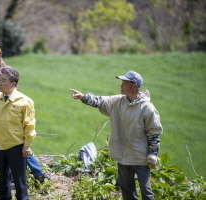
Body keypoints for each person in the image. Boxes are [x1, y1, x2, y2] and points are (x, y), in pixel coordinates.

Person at [70, 70, 163, 200]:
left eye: (124, 82)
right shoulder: (117, 101)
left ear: (134, 85)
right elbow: (100, 101)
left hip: (140, 157)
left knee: (146, 192)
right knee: (127, 191)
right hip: (122, 156)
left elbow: (154, 132)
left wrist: (153, 153)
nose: (121, 85)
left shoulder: (147, 108)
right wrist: (83, 97)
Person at [0, 45, 49, 189]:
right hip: (14, 120)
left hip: (1, 122)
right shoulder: (8, 71)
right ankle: (38, 173)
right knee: (19, 148)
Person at [0, 67, 35, 200]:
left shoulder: (25, 101)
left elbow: (29, 125)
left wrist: (27, 145)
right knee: (2, 180)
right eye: (0, 80)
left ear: (13, 84)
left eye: (4, 81)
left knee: (19, 181)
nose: (0, 83)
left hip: (16, 146)